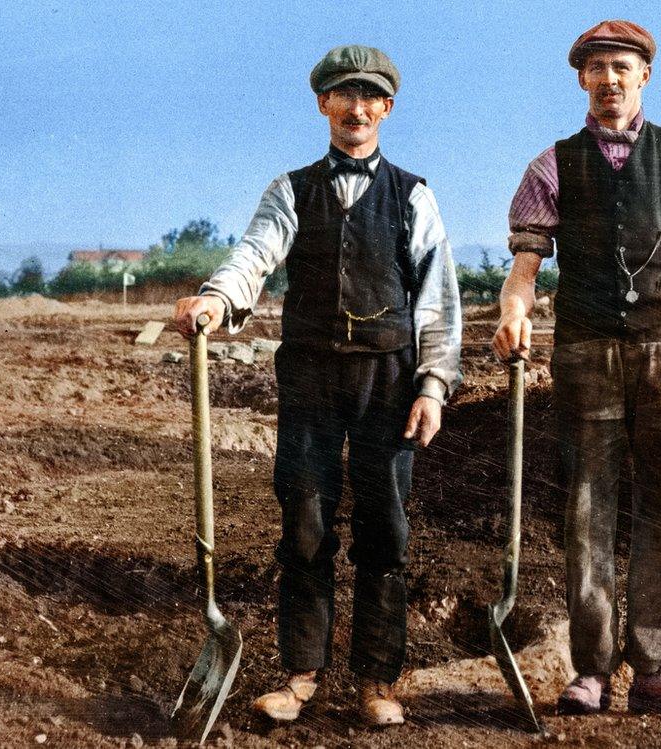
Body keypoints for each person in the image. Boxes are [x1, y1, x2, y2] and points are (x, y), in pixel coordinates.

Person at [173, 44, 462, 727]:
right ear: (322, 104)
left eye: (369, 96)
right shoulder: (291, 190)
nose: (356, 107)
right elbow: (256, 254)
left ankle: (376, 681)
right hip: (309, 378)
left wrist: (433, 385)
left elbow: (438, 300)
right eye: (342, 94)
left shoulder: (412, 194)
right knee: (305, 522)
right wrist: (217, 299)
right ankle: (300, 675)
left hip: (387, 382)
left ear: (387, 108)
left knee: (385, 528)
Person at [492, 19, 661, 716]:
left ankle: (655, 666)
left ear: (644, 76)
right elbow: (526, 266)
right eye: (596, 69)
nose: (609, 81)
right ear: (581, 79)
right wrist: (514, 310)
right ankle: (592, 669)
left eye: (621, 68)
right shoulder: (552, 166)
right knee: (588, 507)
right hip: (586, 354)